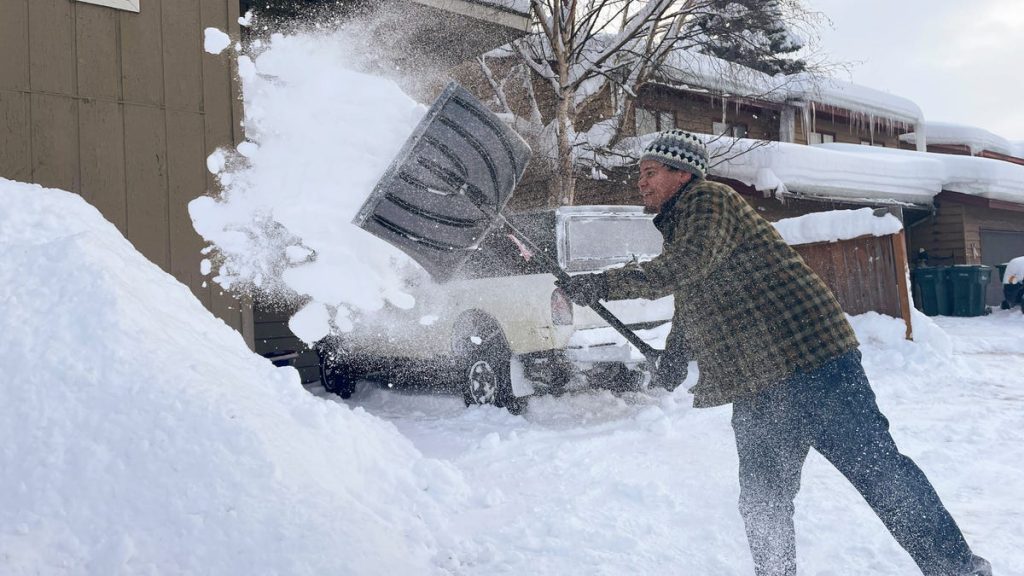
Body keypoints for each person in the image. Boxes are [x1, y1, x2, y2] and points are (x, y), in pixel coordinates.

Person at [556, 129, 991, 576]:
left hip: (812, 363)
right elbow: (693, 291)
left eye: (649, 173)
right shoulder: (684, 223)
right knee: (763, 498)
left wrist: (602, 283)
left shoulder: (710, 200)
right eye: (640, 175)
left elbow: (686, 267)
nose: (640, 183)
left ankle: (957, 568)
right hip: (760, 382)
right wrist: (675, 353)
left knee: (879, 473)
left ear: (681, 174)